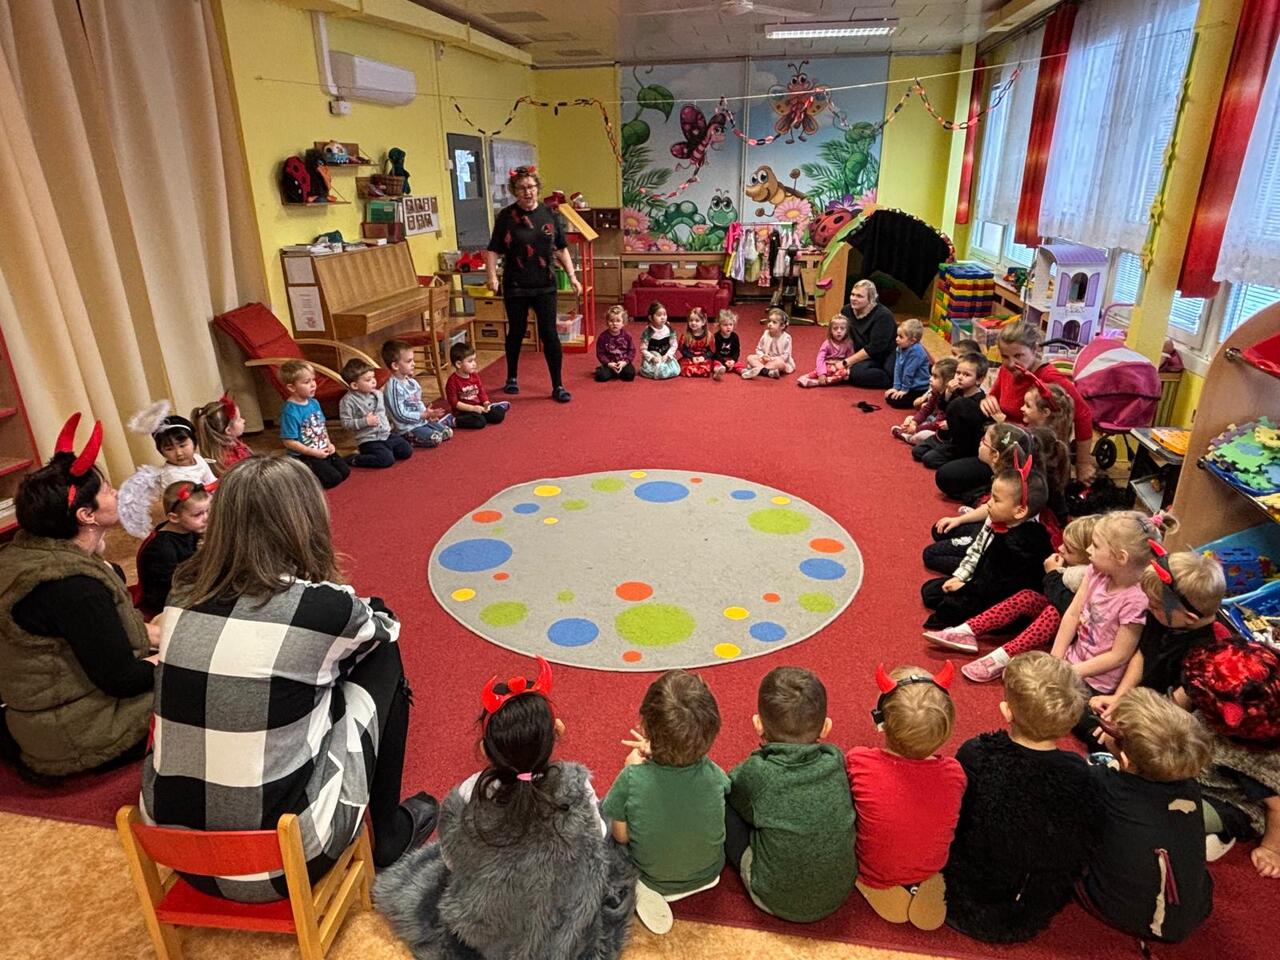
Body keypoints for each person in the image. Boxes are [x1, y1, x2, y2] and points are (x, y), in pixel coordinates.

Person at [143, 456, 438, 901]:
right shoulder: (320, 607)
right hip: (283, 862)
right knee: (382, 657)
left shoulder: (182, 592)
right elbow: (384, 627)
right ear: (305, 521)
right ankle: (389, 832)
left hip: (176, 850)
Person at [375, 656, 637, 960]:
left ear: (485, 748)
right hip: (560, 930)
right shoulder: (577, 788)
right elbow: (597, 837)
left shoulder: (468, 794)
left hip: (490, 932)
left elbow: (452, 860)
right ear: (557, 732)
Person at [0, 414, 154, 779]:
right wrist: (176, 658)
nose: (116, 493)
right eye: (107, 490)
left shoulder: (21, 554)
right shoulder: (75, 588)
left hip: (37, 717)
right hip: (78, 733)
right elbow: (124, 680)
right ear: (86, 515)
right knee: (209, 683)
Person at [944, 653, 1100, 943]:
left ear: (1007, 711)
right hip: (1031, 908)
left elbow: (954, 814)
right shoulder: (1078, 771)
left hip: (961, 895)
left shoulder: (977, 753)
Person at [1080, 688, 1214, 944]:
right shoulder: (1191, 787)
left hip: (1116, 908)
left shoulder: (1103, 785)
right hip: (1196, 909)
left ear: (1126, 759)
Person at [602, 670, 729, 935]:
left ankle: (637, 887)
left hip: (656, 879)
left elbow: (621, 836)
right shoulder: (713, 772)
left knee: (604, 821)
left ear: (644, 726)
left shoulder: (632, 778)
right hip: (710, 873)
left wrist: (630, 768)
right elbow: (725, 790)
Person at [724, 667, 856, 922]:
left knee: (723, 804)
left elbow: (731, 790)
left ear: (758, 725)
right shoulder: (836, 759)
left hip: (773, 899)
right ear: (826, 727)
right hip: (839, 891)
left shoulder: (758, 772)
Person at [847, 663, 965, 931]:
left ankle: (879, 883)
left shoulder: (858, 761)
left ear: (880, 722)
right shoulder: (954, 773)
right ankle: (919, 879)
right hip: (933, 866)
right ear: (946, 730)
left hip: (873, 868)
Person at [1077, 548, 1226, 746]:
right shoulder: (1164, 618)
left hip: (1157, 719)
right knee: (1075, 706)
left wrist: (1128, 720)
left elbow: (1174, 707)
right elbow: (1142, 654)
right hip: (1136, 700)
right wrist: (1120, 698)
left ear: (1189, 618)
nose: (1148, 607)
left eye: (1155, 606)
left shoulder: (1204, 657)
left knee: (1098, 734)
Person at [927, 513, 1098, 665]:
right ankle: (968, 630)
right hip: (1053, 613)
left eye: (1069, 549)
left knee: (1053, 612)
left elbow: (1065, 607)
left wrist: (1052, 574)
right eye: (1063, 544)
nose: (1060, 549)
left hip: (1071, 629)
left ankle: (1002, 657)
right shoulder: (1069, 566)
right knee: (1027, 596)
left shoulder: (1082, 576)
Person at [948, 322, 1092, 499]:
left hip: (1026, 448)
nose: (1011, 363)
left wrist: (1084, 463)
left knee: (948, 477)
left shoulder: (1048, 377)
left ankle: (998, 488)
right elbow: (994, 395)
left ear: (1035, 349)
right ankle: (971, 460)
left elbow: (1083, 414)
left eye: (1018, 356)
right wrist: (989, 399)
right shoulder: (1006, 369)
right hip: (1003, 436)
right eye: (1005, 357)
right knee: (960, 407)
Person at [1181, 637, 1280, 880]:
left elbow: (1276, 806)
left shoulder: (1249, 758)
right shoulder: (1220, 715)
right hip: (1200, 774)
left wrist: (1271, 849)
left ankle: (1222, 835)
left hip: (1231, 803)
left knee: (1176, 816)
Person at [921, 457, 1053, 630]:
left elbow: (992, 588)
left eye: (996, 500)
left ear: (1020, 511)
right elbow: (978, 556)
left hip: (1004, 603)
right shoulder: (1001, 522)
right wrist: (961, 578)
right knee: (931, 591)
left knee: (940, 601)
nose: (988, 503)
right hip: (983, 584)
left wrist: (963, 589)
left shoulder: (1016, 545)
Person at [484, 164, 579, 403]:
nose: (527, 192)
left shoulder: (550, 214)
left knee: (550, 334)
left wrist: (573, 276)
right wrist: (492, 276)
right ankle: (512, 377)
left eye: (531, 187)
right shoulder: (506, 216)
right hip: (516, 283)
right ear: (514, 191)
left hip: (545, 283)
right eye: (522, 188)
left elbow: (561, 249)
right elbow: (493, 249)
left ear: (538, 188)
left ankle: (557, 384)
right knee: (516, 331)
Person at [922, 424, 1037, 574]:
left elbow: (993, 521)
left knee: (931, 555)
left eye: (984, 441)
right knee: (940, 530)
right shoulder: (1004, 476)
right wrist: (959, 520)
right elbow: (989, 507)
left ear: (995, 455)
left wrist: (966, 571)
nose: (980, 442)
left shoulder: (1009, 484)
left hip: (996, 537)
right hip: (991, 526)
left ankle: (981, 569)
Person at [135, 480, 210, 619]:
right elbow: (167, 592)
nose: (206, 518)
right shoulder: (161, 549)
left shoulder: (189, 529)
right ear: (174, 518)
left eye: (207, 511)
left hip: (189, 588)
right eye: (198, 514)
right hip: (164, 606)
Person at [277, 359, 349, 489]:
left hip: (321, 448)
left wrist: (329, 444)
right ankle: (300, 476)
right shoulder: (290, 412)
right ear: (292, 387)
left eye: (313, 380)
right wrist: (313, 452)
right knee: (333, 479)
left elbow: (321, 427)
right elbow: (289, 442)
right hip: (305, 455)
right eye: (306, 382)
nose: (313, 385)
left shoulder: (314, 403)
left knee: (345, 472)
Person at [912, 353, 989, 474]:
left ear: (979, 379)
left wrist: (952, 424)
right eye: (958, 373)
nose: (960, 377)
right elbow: (942, 407)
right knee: (917, 451)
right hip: (944, 437)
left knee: (929, 459)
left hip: (959, 443)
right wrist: (948, 392)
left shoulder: (980, 400)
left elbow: (974, 427)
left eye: (966, 375)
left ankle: (955, 462)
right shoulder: (957, 391)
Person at [339, 357, 413, 469]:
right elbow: (346, 423)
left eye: (373, 377)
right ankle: (355, 459)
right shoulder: (348, 401)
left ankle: (385, 451)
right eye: (368, 380)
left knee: (406, 450)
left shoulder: (378, 394)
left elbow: (384, 413)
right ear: (355, 385)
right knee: (386, 460)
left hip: (386, 435)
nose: (374, 381)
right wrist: (365, 421)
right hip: (369, 439)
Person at [381, 339, 454, 448]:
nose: (413, 364)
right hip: (407, 428)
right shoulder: (393, 387)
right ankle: (404, 438)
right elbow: (400, 414)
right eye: (409, 361)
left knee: (447, 432)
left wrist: (427, 414)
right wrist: (422, 415)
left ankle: (425, 430)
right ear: (395, 366)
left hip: (421, 422)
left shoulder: (412, 382)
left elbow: (418, 402)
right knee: (436, 438)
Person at [836, 279, 897, 388]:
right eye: (852, 294)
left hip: (884, 354)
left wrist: (846, 362)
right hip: (862, 354)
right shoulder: (846, 310)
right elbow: (841, 336)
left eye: (859, 296)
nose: (854, 299)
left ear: (871, 299)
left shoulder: (883, 316)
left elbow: (875, 347)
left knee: (859, 373)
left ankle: (895, 382)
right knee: (853, 371)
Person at [446, 342, 511, 429]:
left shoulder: (474, 376)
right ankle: (453, 421)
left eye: (474, 360)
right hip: (464, 411)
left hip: (479, 407)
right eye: (470, 361)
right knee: (480, 422)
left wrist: (486, 402)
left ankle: (494, 407)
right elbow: (454, 403)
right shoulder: (452, 381)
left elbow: (481, 391)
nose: (474, 364)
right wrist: (473, 408)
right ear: (459, 364)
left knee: (498, 416)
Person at [893, 357, 956, 444]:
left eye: (935, 377)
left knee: (923, 435)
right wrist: (914, 422)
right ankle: (908, 431)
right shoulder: (936, 392)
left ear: (947, 382)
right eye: (931, 375)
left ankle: (909, 437)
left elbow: (938, 422)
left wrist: (916, 429)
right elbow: (926, 409)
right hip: (932, 420)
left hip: (940, 429)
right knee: (910, 418)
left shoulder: (950, 398)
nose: (930, 379)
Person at [191, 393, 251, 475]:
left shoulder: (232, 445)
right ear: (228, 430)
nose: (243, 420)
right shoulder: (229, 460)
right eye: (239, 419)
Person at [797, 314, 854, 388]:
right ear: (831, 331)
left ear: (846, 331)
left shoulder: (848, 344)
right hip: (827, 366)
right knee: (818, 372)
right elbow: (820, 358)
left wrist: (848, 369)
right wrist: (821, 373)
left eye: (842, 329)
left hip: (840, 367)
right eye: (835, 328)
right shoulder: (827, 343)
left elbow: (850, 358)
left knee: (844, 373)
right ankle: (807, 377)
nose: (839, 331)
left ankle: (818, 382)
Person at [886, 319, 931, 408]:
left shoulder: (916, 352)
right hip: (908, 384)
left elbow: (909, 372)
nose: (896, 339)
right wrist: (896, 387)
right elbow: (897, 367)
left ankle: (925, 398)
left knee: (894, 401)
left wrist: (904, 390)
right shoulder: (900, 347)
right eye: (897, 335)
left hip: (919, 387)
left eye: (901, 337)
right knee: (890, 397)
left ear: (912, 341)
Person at [741, 308, 795, 380]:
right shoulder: (766, 334)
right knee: (750, 357)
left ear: (782, 326)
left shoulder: (786, 338)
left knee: (780, 364)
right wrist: (763, 356)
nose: (770, 324)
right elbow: (759, 349)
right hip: (764, 360)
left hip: (777, 361)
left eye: (774, 322)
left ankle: (759, 370)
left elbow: (785, 356)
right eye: (769, 321)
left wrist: (771, 359)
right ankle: (767, 372)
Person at [1021, 380, 1075, 447]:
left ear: (1045, 412)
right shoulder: (1030, 434)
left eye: (1028, 406)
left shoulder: (1043, 444)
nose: (1022, 408)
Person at [595, 304, 636, 383]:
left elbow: (632, 350)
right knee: (601, 376)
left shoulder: (627, 336)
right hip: (609, 364)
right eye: (611, 321)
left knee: (630, 375)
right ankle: (606, 370)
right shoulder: (602, 337)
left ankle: (617, 372)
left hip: (623, 363)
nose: (614, 323)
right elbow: (600, 353)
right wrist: (608, 363)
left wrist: (625, 362)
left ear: (623, 323)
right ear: (607, 322)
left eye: (618, 321)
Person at [639, 301, 680, 380]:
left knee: (674, 371)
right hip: (654, 358)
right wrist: (652, 357)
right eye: (659, 315)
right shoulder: (648, 331)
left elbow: (674, 345)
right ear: (651, 317)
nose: (662, 317)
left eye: (664, 315)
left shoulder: (669, 329)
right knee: (652, 371)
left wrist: (668, 355)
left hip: (665, 356)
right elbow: (643, 349)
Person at [678, 307, 716, 378]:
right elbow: (683, 350)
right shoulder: (685, 335)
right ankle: (693, 370)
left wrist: (703, 357)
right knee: (684, 366)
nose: (693, 323)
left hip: (703, 358)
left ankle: (696, 370)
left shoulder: (709, 336)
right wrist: (692, 357)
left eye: (697, 321)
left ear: (703, 322)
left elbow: (711, 351)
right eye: (691, 320)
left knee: (706, 367)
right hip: (689, 358)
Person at [712, 308, 742, 380]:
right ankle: (717, 372)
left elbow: (737, 351)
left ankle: (743, 372)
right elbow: (715, 353)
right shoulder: (716, 337)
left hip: (730, 359)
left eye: (730, 324)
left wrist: (733, 360)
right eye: (725, 325)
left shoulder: (735, 337)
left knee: (738, 364)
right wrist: (724, 361)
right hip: (719, 359)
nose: (728, 327)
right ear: (719, 325)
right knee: (715, 363)